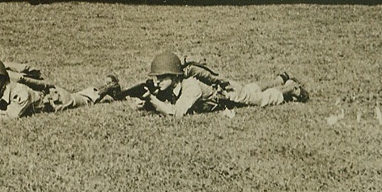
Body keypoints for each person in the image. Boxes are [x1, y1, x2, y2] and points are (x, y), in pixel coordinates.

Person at [129, 51, 308, 117]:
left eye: (162, 77)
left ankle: (289, 88)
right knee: (250, 88)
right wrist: (145, 104)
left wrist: (152, 100)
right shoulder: (172, 86)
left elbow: (177, 113)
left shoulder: (191, 87)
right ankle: (279, 79)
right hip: (227, 88)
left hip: (228, 95)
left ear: (175, 77)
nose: (157, 81)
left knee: (261, 99)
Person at [0, 56, 122, 121]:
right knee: (79, 95)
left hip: (54, 101)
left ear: (2, 78)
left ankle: (107, 87)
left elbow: (9, 118)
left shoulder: (20, 93)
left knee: (84, 100)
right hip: (47, 99)